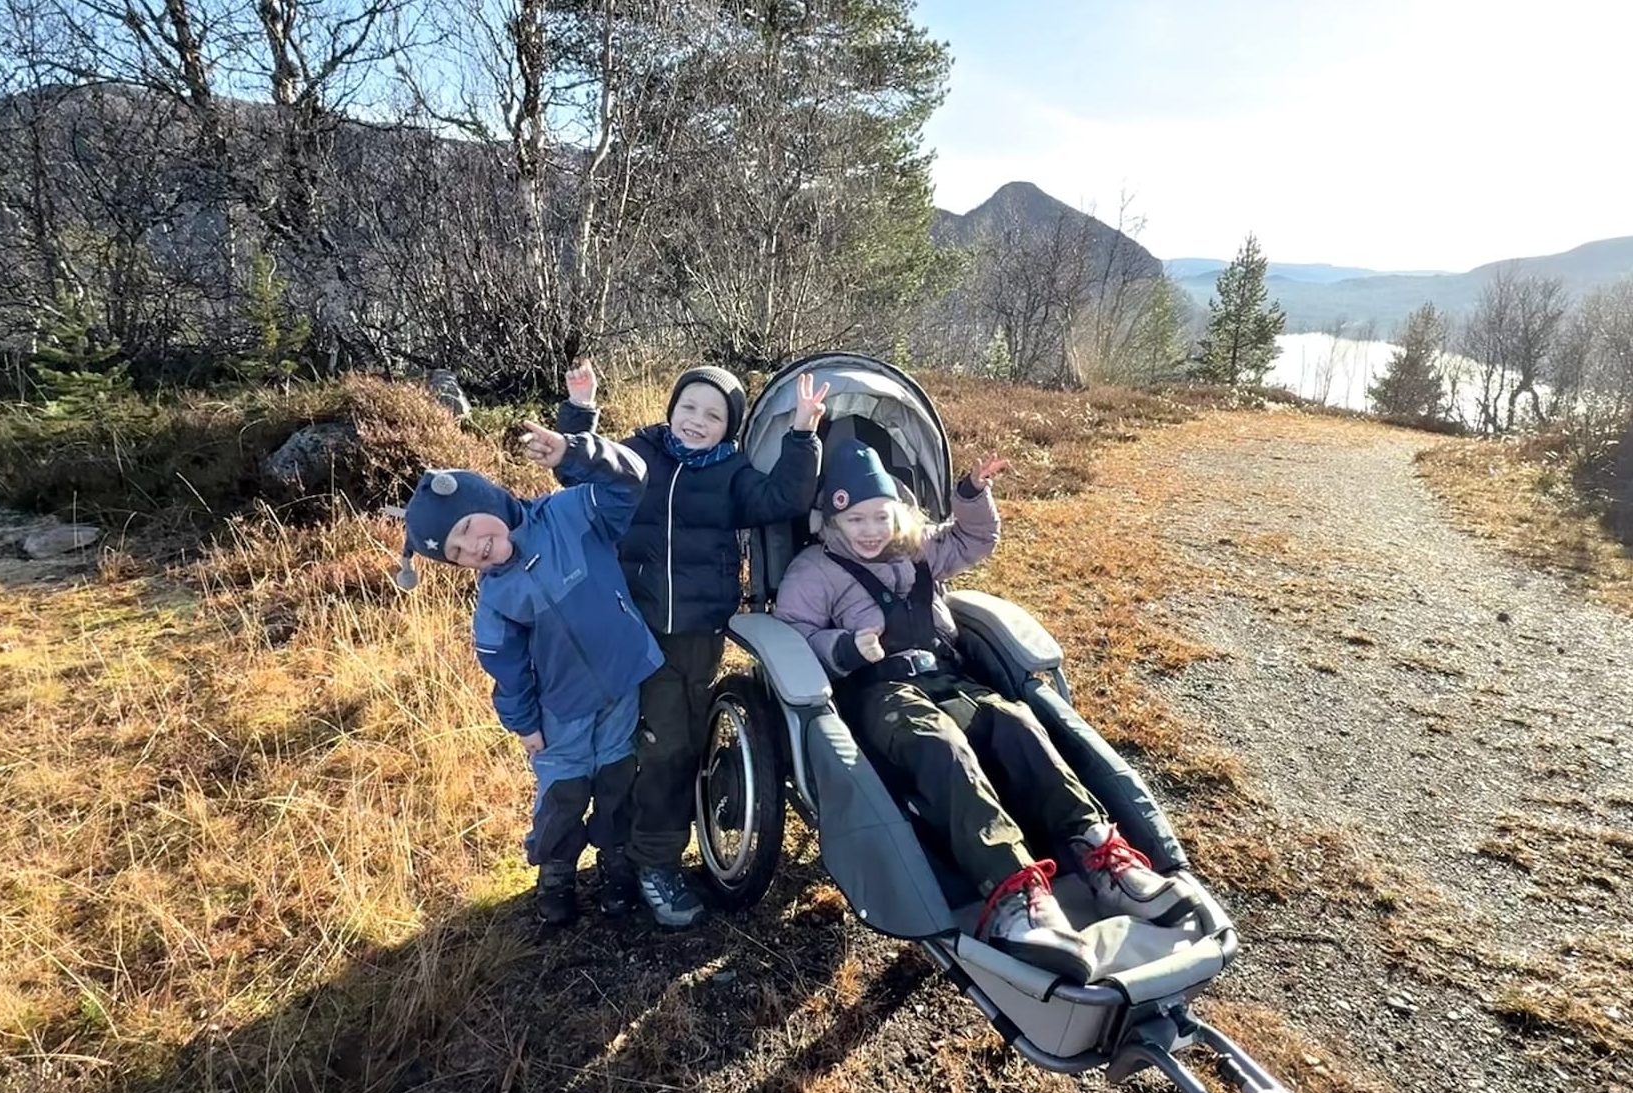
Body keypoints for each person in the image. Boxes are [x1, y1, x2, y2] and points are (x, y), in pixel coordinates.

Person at [773, 439, 1199, 981]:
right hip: (878, 689)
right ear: (832, 520)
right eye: (855, 519)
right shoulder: (815, 570)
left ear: (898, 512)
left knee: (1017, 724)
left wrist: (972, 494)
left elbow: (973, 539)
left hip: (948, 675)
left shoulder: (918, 546)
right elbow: (794, 632)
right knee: (940, 744)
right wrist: (845, 647)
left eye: (881, 515)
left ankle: (1098, 855)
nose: (870, 530)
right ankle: (1014, 895)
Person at [555, 360, 824, 927]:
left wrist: (802, 433)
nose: (697, 421)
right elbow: (580, 473)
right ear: (671, 409)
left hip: (694, 636)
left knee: (674, 748)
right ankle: (615, 854)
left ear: (729, 428)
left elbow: (783, 499)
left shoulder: (732, 472)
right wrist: (580, 411)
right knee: (617, 746)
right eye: (689, 407)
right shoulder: (641, 453)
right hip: (626, 627)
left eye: (714, 415)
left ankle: (655, 861)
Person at [390, 424, 661, 927]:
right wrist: (525, 724)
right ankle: (556, 869)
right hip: (561, 708)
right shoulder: (496, 599)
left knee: (617, 777)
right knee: (564, 791)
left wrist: (574, 453)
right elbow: (506, 668)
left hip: (622, 682)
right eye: (455, 553)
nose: (472, 549)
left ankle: (616, 857)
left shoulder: (568, 515)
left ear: (486, 499)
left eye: (467, 528)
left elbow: (630, 480)